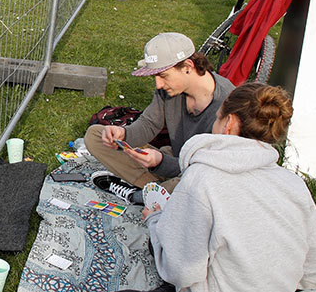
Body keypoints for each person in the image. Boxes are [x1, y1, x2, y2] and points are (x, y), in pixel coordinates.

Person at [79, 82, 316, 292]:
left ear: (230, 124)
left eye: (217, 118)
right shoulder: (293, 183)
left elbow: (180, 271)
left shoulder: (203, 180)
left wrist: (156, 219)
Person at [85, 32, 235, 203]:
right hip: (175, 159)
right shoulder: (168, 90)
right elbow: (149, 124)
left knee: (192, 185)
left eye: (163, 76)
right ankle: (156, 190)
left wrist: (161, 162)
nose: (158, 84)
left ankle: (142, 195)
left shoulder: (227, 105)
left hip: (202, 172)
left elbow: (213, 170)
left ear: (188, 66)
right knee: (95, 135)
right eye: (154, 77)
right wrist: (122, 134)